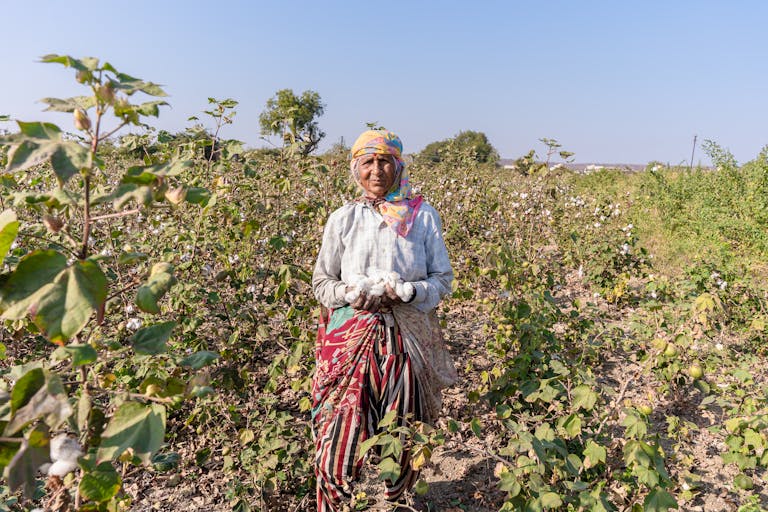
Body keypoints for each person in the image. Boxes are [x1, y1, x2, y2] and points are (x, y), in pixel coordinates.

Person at [311, 129, 457, 511]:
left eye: (385, 161)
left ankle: (398, 502)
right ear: (355, 167)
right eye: (368, 162)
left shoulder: (422, 216)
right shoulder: (342, 219)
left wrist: (408, 293)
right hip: (350, 340)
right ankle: (336, 502)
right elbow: (322, 282)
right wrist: (350, 293)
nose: (377, 171)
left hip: (404, 341)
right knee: (336, 442)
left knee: (402, 437)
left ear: (398, 166)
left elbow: (442, 279)